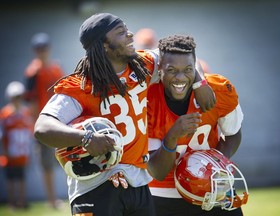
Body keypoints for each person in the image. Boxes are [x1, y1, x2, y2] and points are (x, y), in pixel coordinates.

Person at [33, 13, 215, 215]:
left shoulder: (143, 65)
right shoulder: (81, 86)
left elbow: (182, 54)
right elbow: (42, 128)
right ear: (104, 45)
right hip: (96, 187)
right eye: (121, 32)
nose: (130, 34)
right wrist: (86, 137)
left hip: (138, 183)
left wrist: (200, 82)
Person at [147, 35, 244, 215]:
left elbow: (233, 133)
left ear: (196, 68)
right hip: (163, 195)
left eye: (188, 69)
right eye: (172, 70)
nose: (180, 77)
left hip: (213, 187)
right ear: (159, 68)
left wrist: (216, 164)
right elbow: (157, 171)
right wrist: (172, 136)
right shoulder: (147, 99)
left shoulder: (219, 90)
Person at [24, 32, 65, 209]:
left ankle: (68, 195)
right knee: (47, 166)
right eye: (38, 49)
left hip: (60, 121)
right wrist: (36, 127)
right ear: (35, 51)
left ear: (48, 48)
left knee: (68, 160)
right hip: (44, 124)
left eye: (44, 47)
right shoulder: (32, 72)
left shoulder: (56, 69)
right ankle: (52, 200)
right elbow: (31, 103)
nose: (42, 51)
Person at [0, 81, 34, 209]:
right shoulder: (5, 114)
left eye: (19, 96)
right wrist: (3, 150)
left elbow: (30, 132)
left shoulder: (26, 113)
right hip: (10, 152)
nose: (17, 99)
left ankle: (22, 201)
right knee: (10, 178)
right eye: (15, 97)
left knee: (22, 177)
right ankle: (12, 203)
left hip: (23, 152)